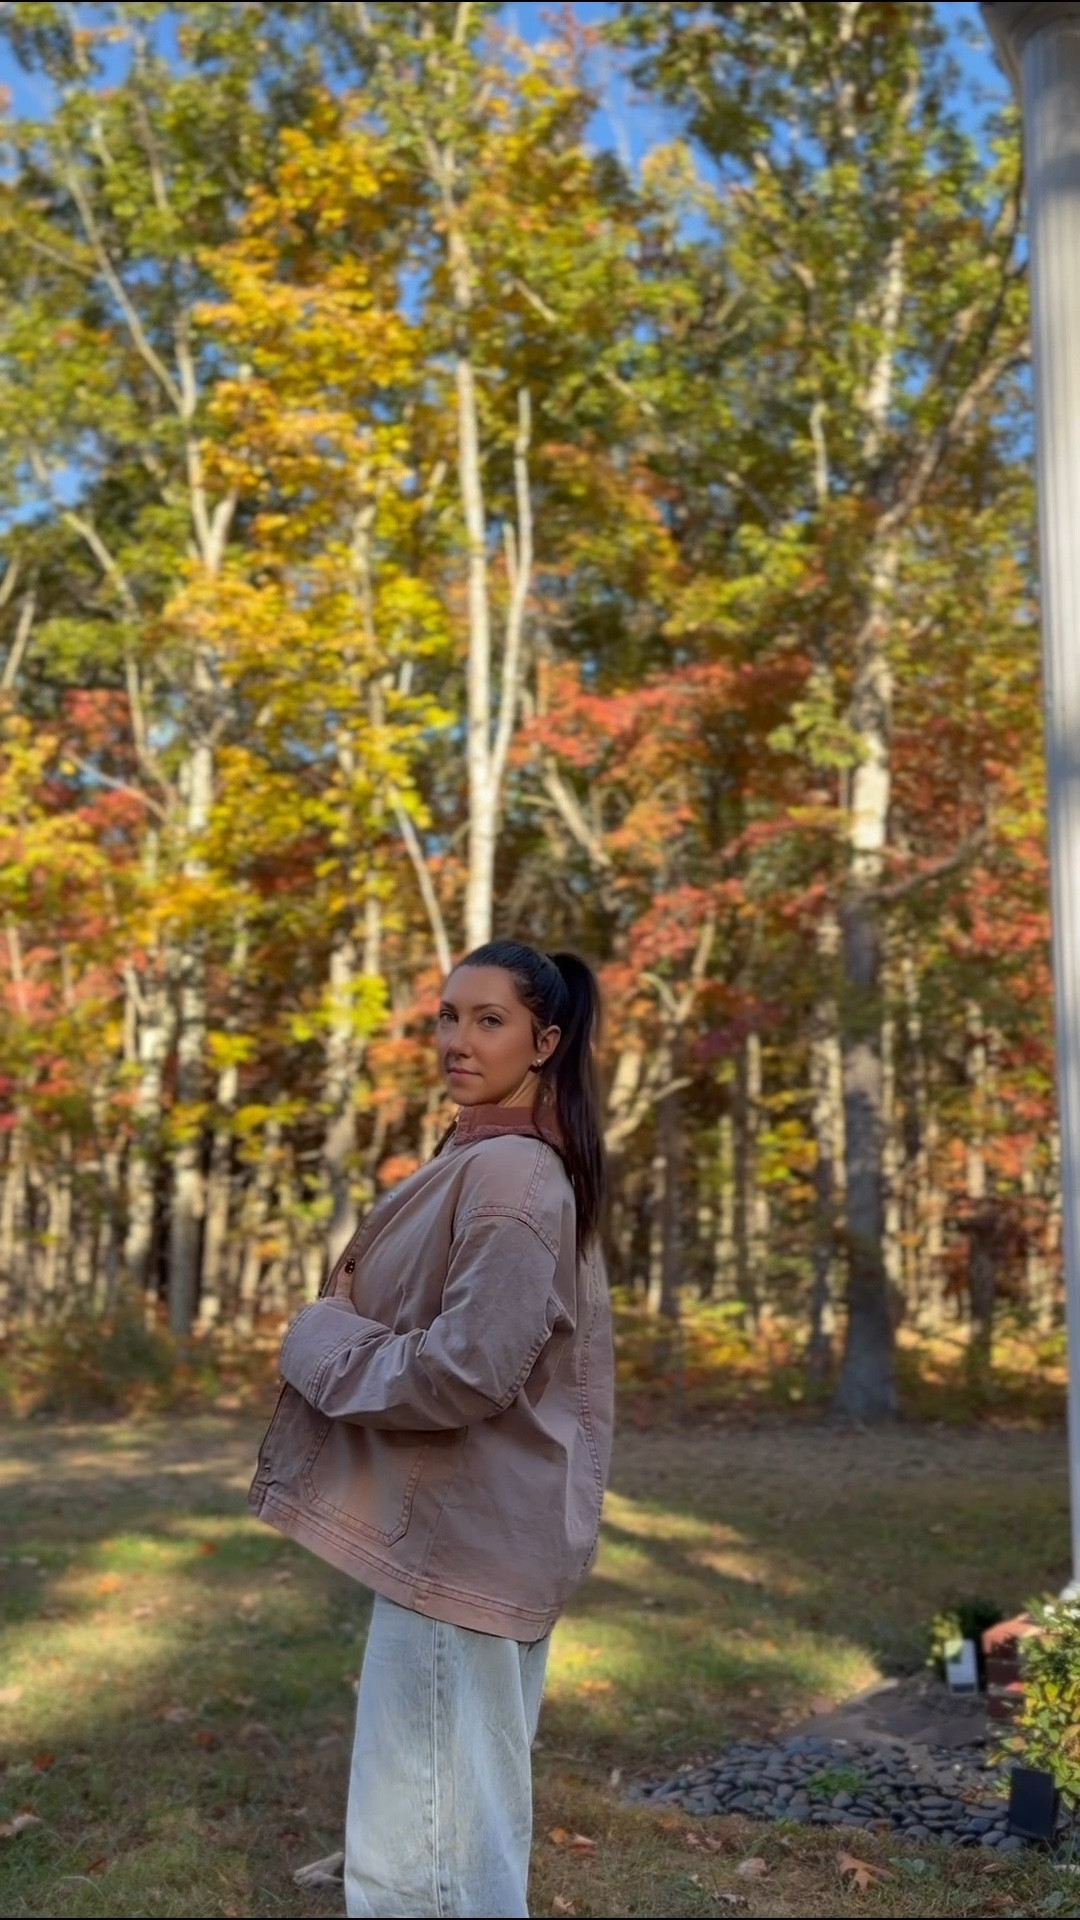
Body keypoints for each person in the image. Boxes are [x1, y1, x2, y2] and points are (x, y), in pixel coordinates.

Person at [249, 940, 615, 1920]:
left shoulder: (513, 1179)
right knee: (453, 1840)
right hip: (469, 1538)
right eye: (448, 1016)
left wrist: (318, 1344)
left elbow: (467, 1372)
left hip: (465, 1546)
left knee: (424, 1868)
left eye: (487, 1020)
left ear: (544, 1040)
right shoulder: (488, 1160)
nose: (457, 1038)